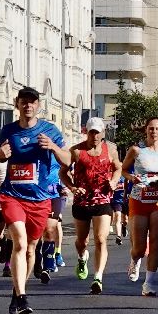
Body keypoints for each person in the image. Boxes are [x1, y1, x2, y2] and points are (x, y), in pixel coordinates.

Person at [0, 86, 72, 314]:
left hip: (39, 199)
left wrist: (54, 147)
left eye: (32, 102)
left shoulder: (50, 130)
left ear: (38, 105)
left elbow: (68, 159)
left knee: (30, 249)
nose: (28, 105)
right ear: (17, 104)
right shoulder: (8, 130)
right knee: (19, 241)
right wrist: (0, 156)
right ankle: (22, 297)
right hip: (12, 195)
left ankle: (18, 293)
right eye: (24, 101)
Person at [120, 117, 158, 297]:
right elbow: (123, 170)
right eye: (151, 129)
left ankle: (149, 283)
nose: (154, 132)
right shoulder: (136, 150)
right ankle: (134, 260)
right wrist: (132, 178)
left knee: (156, 243)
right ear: (146, 130)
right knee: (139, 247)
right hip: (139, 199)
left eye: (157, 128)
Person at [68, 117, 119, 295]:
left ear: (103, 133)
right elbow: (63, 172)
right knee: (82, 241)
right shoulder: (76, 151)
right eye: (92, 132)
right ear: (86, 132)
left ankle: (98, 277)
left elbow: (118, 168)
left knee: (101, 239)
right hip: (82, 201)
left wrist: (113, 181)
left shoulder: (111, 150)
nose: (95, 136)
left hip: (103, 200)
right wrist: (72, 187)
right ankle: (82, 257)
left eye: (98, 132)